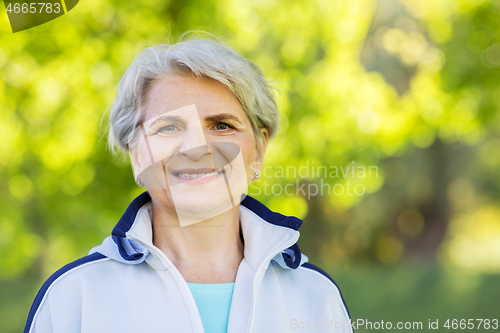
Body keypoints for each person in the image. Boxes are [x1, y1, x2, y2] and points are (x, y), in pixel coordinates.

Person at [24, 33, 353, 333]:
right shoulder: (73, 297)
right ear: (137, 155)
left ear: (259, 151)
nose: (196, 149)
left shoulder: (315, 297)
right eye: (168, 127)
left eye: (222, 126)